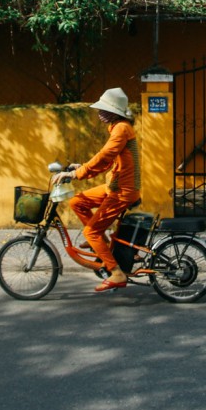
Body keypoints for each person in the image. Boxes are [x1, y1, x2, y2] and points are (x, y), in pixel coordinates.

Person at [57, 87, 141, 293]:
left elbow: (105, 156)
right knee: (78, 202)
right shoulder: (116, 127)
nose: (98, 112)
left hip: (122, 190)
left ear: (114, 112)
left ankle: (116, 272)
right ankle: (102, 245)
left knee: (90, 231)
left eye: (103, 109)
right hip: (115, 185)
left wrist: (77, 174)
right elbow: (107, 161)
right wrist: (81, 167)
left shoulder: (121, 128)